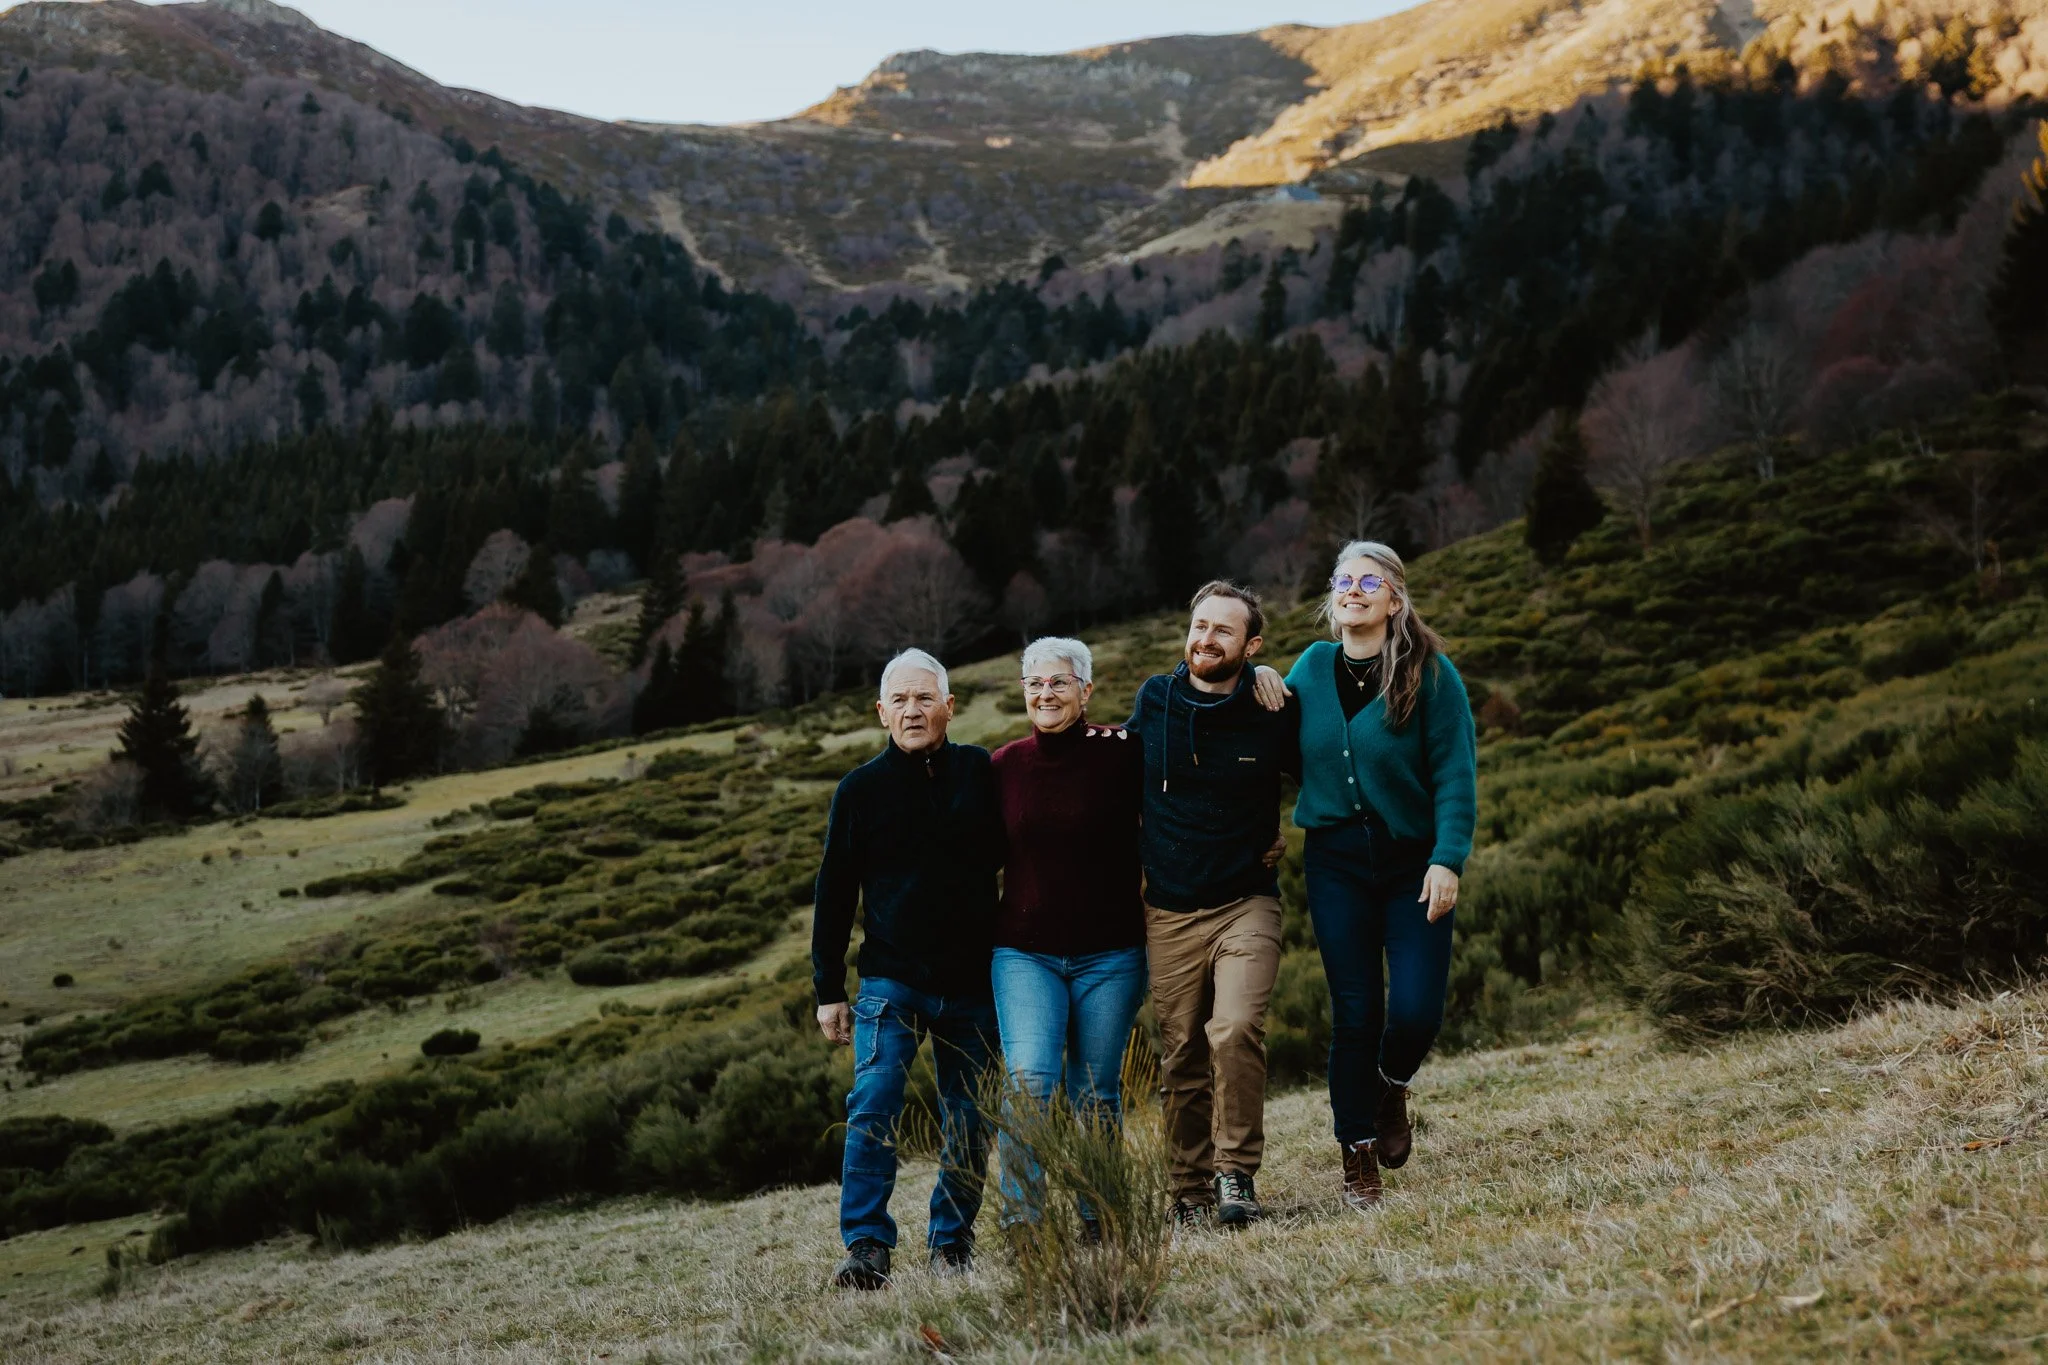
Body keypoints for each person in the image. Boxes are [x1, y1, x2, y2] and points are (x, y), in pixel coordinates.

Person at [988, 637, 1289, 1235]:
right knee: (1030, 1079)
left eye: (1059, 682)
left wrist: (1262, 675)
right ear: (1023, 692)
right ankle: (1022, 1222)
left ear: (1086, 690)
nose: (1046, 693)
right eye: (1035, 684)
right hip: (1024, 952)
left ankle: (1099, 1216)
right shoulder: (1000, 767)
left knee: (1097, 1093)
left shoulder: (1124, 750)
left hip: (1112, 952)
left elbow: (1199, 770)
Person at [1282, 541, 1476, 1212]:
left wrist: (1448, 856)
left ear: (1395, 599)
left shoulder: (1431, 674)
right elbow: (1264, 752)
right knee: (1356, 1012)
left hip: (1411, 861)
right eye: (1344, 579)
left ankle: (1392, 1083)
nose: (1354, 589)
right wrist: (1255, 689)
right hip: (1333, 859)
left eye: (1370, 581)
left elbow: (1455, 772)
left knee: (1417, 1008)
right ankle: (1357, 1151)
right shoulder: (1306, 670)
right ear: (1332, 596)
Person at [812, 648, 1004, 1289]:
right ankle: (866, 1245)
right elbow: (834, 893)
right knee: (872, 1103)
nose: (913, 710)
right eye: (900, 700)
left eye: (925, 698)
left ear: (950, 705)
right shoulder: (860, 790)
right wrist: (828, 990)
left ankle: (951, 1242)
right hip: (892, 979)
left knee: (971, 1113)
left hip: (976, 981)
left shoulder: (981, 772)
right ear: (881, 712)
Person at [1125, 581, 1300, 1231]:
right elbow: (1116, 782)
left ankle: (1236, 1172)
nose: (1205, 639)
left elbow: (1327, 777)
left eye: (1223, 631)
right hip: (1168, 910)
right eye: (1200, 625)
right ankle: (1187, 1189)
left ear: (1251, 645)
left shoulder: (1271, 707)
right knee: (1181, 1055)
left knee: (1233, 1029)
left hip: (1245, 903)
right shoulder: (1154, 698)